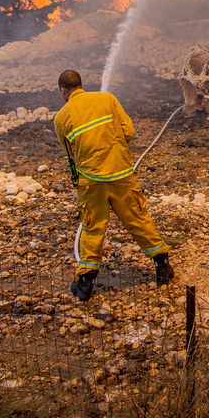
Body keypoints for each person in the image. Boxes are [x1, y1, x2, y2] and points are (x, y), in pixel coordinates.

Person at [54, 69, 173, 300]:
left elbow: (69, 153)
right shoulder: (107, 98)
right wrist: (114, 147)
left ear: (63, 90)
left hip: (91, 182)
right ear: (81, 84)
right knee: (137, 218)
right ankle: (162, 266)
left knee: (93, 226)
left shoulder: (61, 117)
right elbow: (129, 131)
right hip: (121, 175)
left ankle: (85, 283)